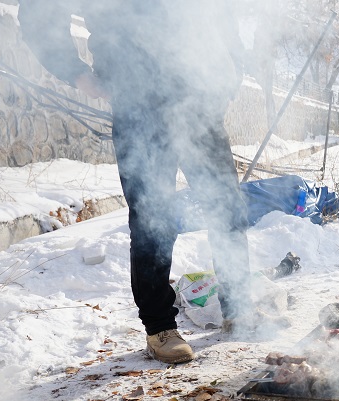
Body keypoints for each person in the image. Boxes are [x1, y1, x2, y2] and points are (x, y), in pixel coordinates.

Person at [17, 0, 253, 364]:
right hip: (139, 100)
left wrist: (231, 70)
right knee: (154, 217)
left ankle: (239, 308)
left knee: (227, 206)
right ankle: (160, 328)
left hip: (199, 100)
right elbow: (39, 10)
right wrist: (75, 71)